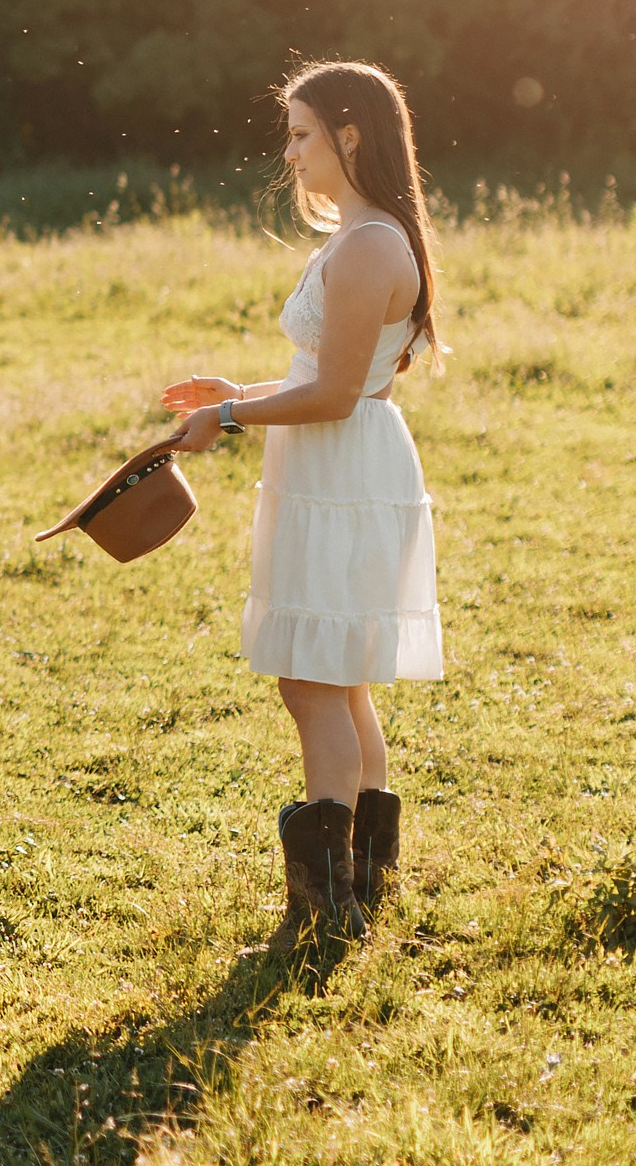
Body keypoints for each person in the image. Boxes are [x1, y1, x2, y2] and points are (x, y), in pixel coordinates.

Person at [164, 61, 443, 938]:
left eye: (299, 133)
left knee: (315, 682)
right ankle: (360, 885)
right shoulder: (364, 236)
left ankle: (329, 908)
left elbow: (333, 396)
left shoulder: (367, 247)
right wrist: (236, 387)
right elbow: (331, 379)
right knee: (339, 677)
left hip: (342, 470)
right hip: (334, 464)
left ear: (348, 135)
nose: (289, 152)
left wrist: (230, 414)